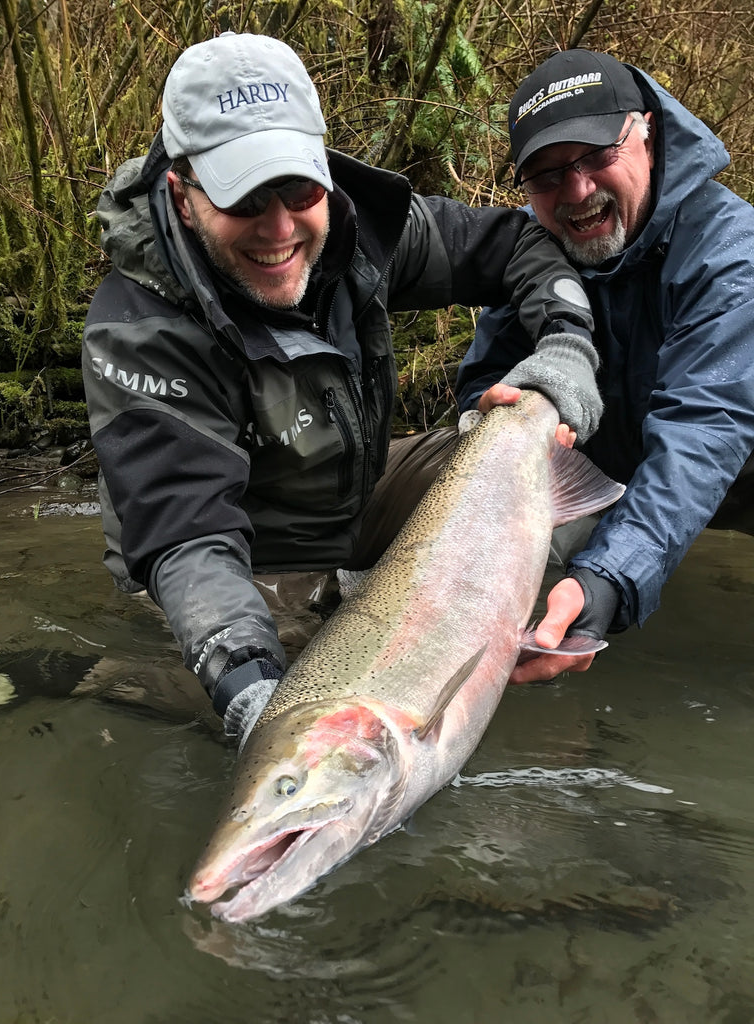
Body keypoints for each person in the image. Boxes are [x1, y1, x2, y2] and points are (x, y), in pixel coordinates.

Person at [82, 32, 602, 742]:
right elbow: (188, 539)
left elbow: (516, 245)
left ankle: (486, 622)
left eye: (297, 187)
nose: (279, 228)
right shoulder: (138, 329)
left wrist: (567, 344)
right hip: (246, 558)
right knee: (260, 698)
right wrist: (249, 688)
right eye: (243, 198)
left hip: (352, 503)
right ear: (181, 192)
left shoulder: (361, 228)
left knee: (529, 462)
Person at [456, 48, 754, 683]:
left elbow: (703, 431)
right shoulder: (533, 252)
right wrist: (490, 415)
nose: (578, 192)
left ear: (645, 131)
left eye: (597, 158)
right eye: (547, 176)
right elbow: (484, 384)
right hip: (610, 465)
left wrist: (609, 578)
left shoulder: (730, 255)